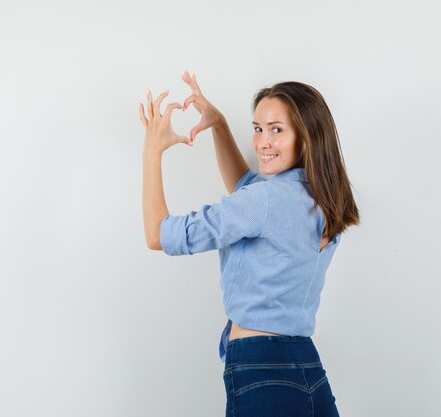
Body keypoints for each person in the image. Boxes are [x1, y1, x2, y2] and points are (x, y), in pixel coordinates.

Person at [139, 70, 360, 417]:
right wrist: (219, 124)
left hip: (260, 366)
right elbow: (245, 187)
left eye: (276, 129)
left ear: (306, 134)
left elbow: (158, 234)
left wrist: (152, 152)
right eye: (258, 128)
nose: (262, 142)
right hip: (308, 366)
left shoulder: (265, 201)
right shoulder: (322, 196)